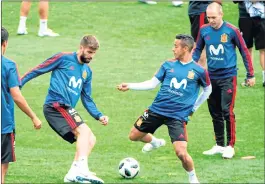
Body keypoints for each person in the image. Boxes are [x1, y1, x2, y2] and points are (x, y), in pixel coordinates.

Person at [117, 34, 212, 184]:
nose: (173, 49)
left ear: (185, 48)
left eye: (176, 46)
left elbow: (208, 89)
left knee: (181, 153)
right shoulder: (167, 65)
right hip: (156, 110)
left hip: (177, 117)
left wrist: (193, 108)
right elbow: (152, 83)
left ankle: (193, 178)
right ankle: (155, 142)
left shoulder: (199, 71)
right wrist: (130, 85)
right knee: (133, 136)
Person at [21, 35, 108, 183]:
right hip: (55, 105)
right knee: (84, 131)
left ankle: (72, 174)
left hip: (65, 108)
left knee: (90, 139)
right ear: (81, 47)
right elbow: (39, 69)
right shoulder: (63, 58)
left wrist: (98, 115)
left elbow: (86, 97)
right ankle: (83, 170)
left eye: (93, 53)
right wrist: (19, 83)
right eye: (89, 52)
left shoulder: (87, 72)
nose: (91, 56)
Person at [192, 2, 255, 159]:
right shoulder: (204, 30)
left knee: (227, 110)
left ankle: (230, 146)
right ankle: (219, 144)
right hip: (210, 77)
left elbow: (244, 51)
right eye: (209, 17)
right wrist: (190, 66)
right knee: (214, 111)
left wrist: (250, 74)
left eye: (214, 17)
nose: (211, 20)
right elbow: (198, 49)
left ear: (221, 14)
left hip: (228, 77)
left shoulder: (232, 30)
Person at [1, 27, 42, 183]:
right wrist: (34, 116)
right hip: (3, 125)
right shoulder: (8, 65)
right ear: (5, 44)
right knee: (2, 167)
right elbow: (16, 96)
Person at [233, 1, 265, 87]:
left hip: (261, 16)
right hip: (245, 16)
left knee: (263, 49)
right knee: (247, 49)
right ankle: (250, 78)